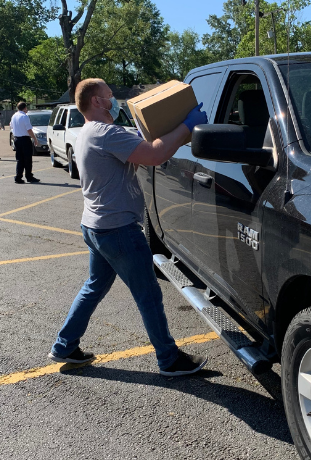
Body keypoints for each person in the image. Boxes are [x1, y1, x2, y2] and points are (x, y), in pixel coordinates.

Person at [48, 78, 208, 376]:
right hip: (118, 229)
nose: (114, 100)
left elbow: (141, 148)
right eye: (109, 95)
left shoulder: (87, 132)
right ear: (96, 101)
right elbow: (155, 155)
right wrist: (188, 126)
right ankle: (169, 359)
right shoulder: (106, 133)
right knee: (149, 295)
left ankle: (64, 345)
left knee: (94, 287)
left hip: (95, 226)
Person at [10, 102, 40, 184]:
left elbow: (11, 126)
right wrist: (35, 139)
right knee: (27, 159)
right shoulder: (25, 117)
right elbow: (29, 130)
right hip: (25, 139)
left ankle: (18, 177)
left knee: (20, 159)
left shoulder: (14, 116)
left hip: (17, 139)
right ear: (25, 108)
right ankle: (29, 177)